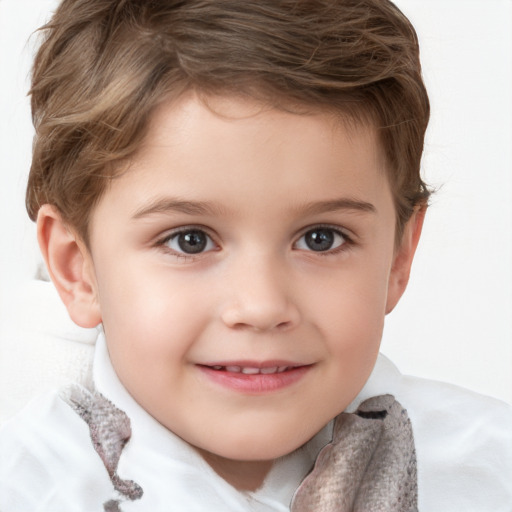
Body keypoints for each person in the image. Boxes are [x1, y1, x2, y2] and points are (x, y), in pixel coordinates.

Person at [0, 0, 510, 510]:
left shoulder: (489, 471)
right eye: (190, 240)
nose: (263, 306)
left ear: (399, 257)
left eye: (321, 238)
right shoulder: (29, 491)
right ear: (77, 269)